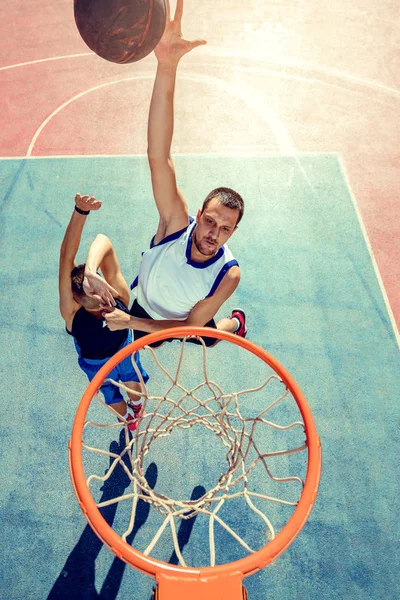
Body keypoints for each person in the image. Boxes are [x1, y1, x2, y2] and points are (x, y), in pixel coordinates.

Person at [88, 0, 247, 344]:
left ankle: (235, 323)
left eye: (224, 229)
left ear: (233, 232)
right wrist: (167, 64)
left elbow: (188, 325)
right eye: (209, 221)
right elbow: (158, 155)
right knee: (173, 334)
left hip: (174, 321)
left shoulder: (228, 275)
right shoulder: (176, 224)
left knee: (200, 335)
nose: (213, 234)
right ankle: (225, 327)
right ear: (198, 214)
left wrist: (131, 322)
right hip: (145, 301)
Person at [58, 194, 149, 431]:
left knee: (133, 385)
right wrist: (79, 210)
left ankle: (136, 407)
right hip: (95, 362)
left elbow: (103, 241)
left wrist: (90, 270)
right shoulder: (71, 311)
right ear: (79, 301)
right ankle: (128, 418)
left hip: (123, 348)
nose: (105, 301)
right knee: (113, 398)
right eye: (96, 300)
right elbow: (66, 256)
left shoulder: (117, 293)